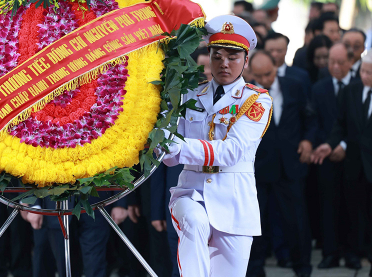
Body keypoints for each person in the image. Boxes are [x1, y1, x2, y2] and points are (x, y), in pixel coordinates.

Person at [158, 15, 271, 276]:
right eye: (217, 56)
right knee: (195, 221)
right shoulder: (190, 95)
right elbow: (170, 156)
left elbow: (230, 152)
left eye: (233, 57)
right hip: (191, 193)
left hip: (234, 203)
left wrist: (176, 146)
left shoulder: (256, 101)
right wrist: (160, 144)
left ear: (245, 59)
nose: (224, 63)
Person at [246, 51, 314, 277]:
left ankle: (302, 267)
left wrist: (307, 140)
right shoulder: (245, 94)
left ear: (275, 68)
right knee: (256, 222)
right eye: (260, 76)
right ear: (251, 74)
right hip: (260, 168)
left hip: (290, 165)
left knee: (296, 220)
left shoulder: (294, 86)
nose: (265, 80)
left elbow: (310, 118)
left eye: (269, 74)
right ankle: (255, 269)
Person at [311, 50, 372, 273]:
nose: (365, 76)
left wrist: (343, 145)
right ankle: (342, 253)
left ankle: (359, 253)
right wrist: (330, 143)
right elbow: (341, 123)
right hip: (350, 164)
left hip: (365, 161)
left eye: (369, 73)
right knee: (345, 210)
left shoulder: (354, 85)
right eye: (364, 71)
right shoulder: (352, 90)